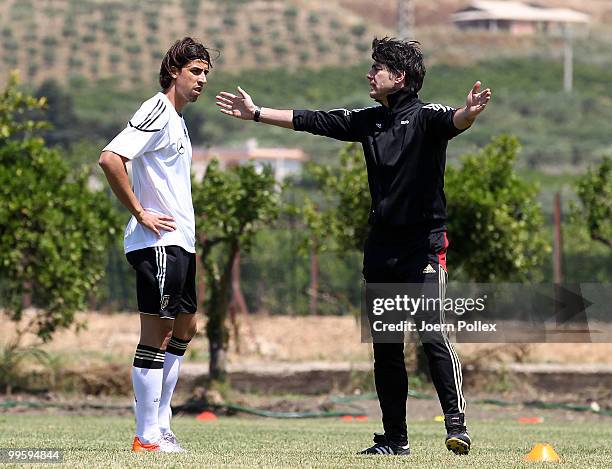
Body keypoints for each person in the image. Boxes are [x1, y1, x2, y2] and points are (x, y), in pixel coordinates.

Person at [215, 36, 491, 456]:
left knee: (432, 332)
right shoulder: (369, 121)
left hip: (423, 247)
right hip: (381, 249)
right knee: (386, 349)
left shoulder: (427, 117)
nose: (369, 73)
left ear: (398, 77)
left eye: (377, 68)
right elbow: (314, 120)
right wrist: (255, 114)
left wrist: (469, 113)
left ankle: (456, 423)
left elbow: (455, 120)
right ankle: (396, 441)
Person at [99, 37, 212, 453]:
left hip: (181, 242)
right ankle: (146, 434)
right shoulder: (157, 109)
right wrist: (140, 212)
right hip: (158, 242)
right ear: (174, 73)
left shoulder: (177, 118)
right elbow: (111, 158)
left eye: (205, 73)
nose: (201, 80)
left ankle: (162, 424)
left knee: (186, 326)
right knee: (158, 333)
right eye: (195, 72)